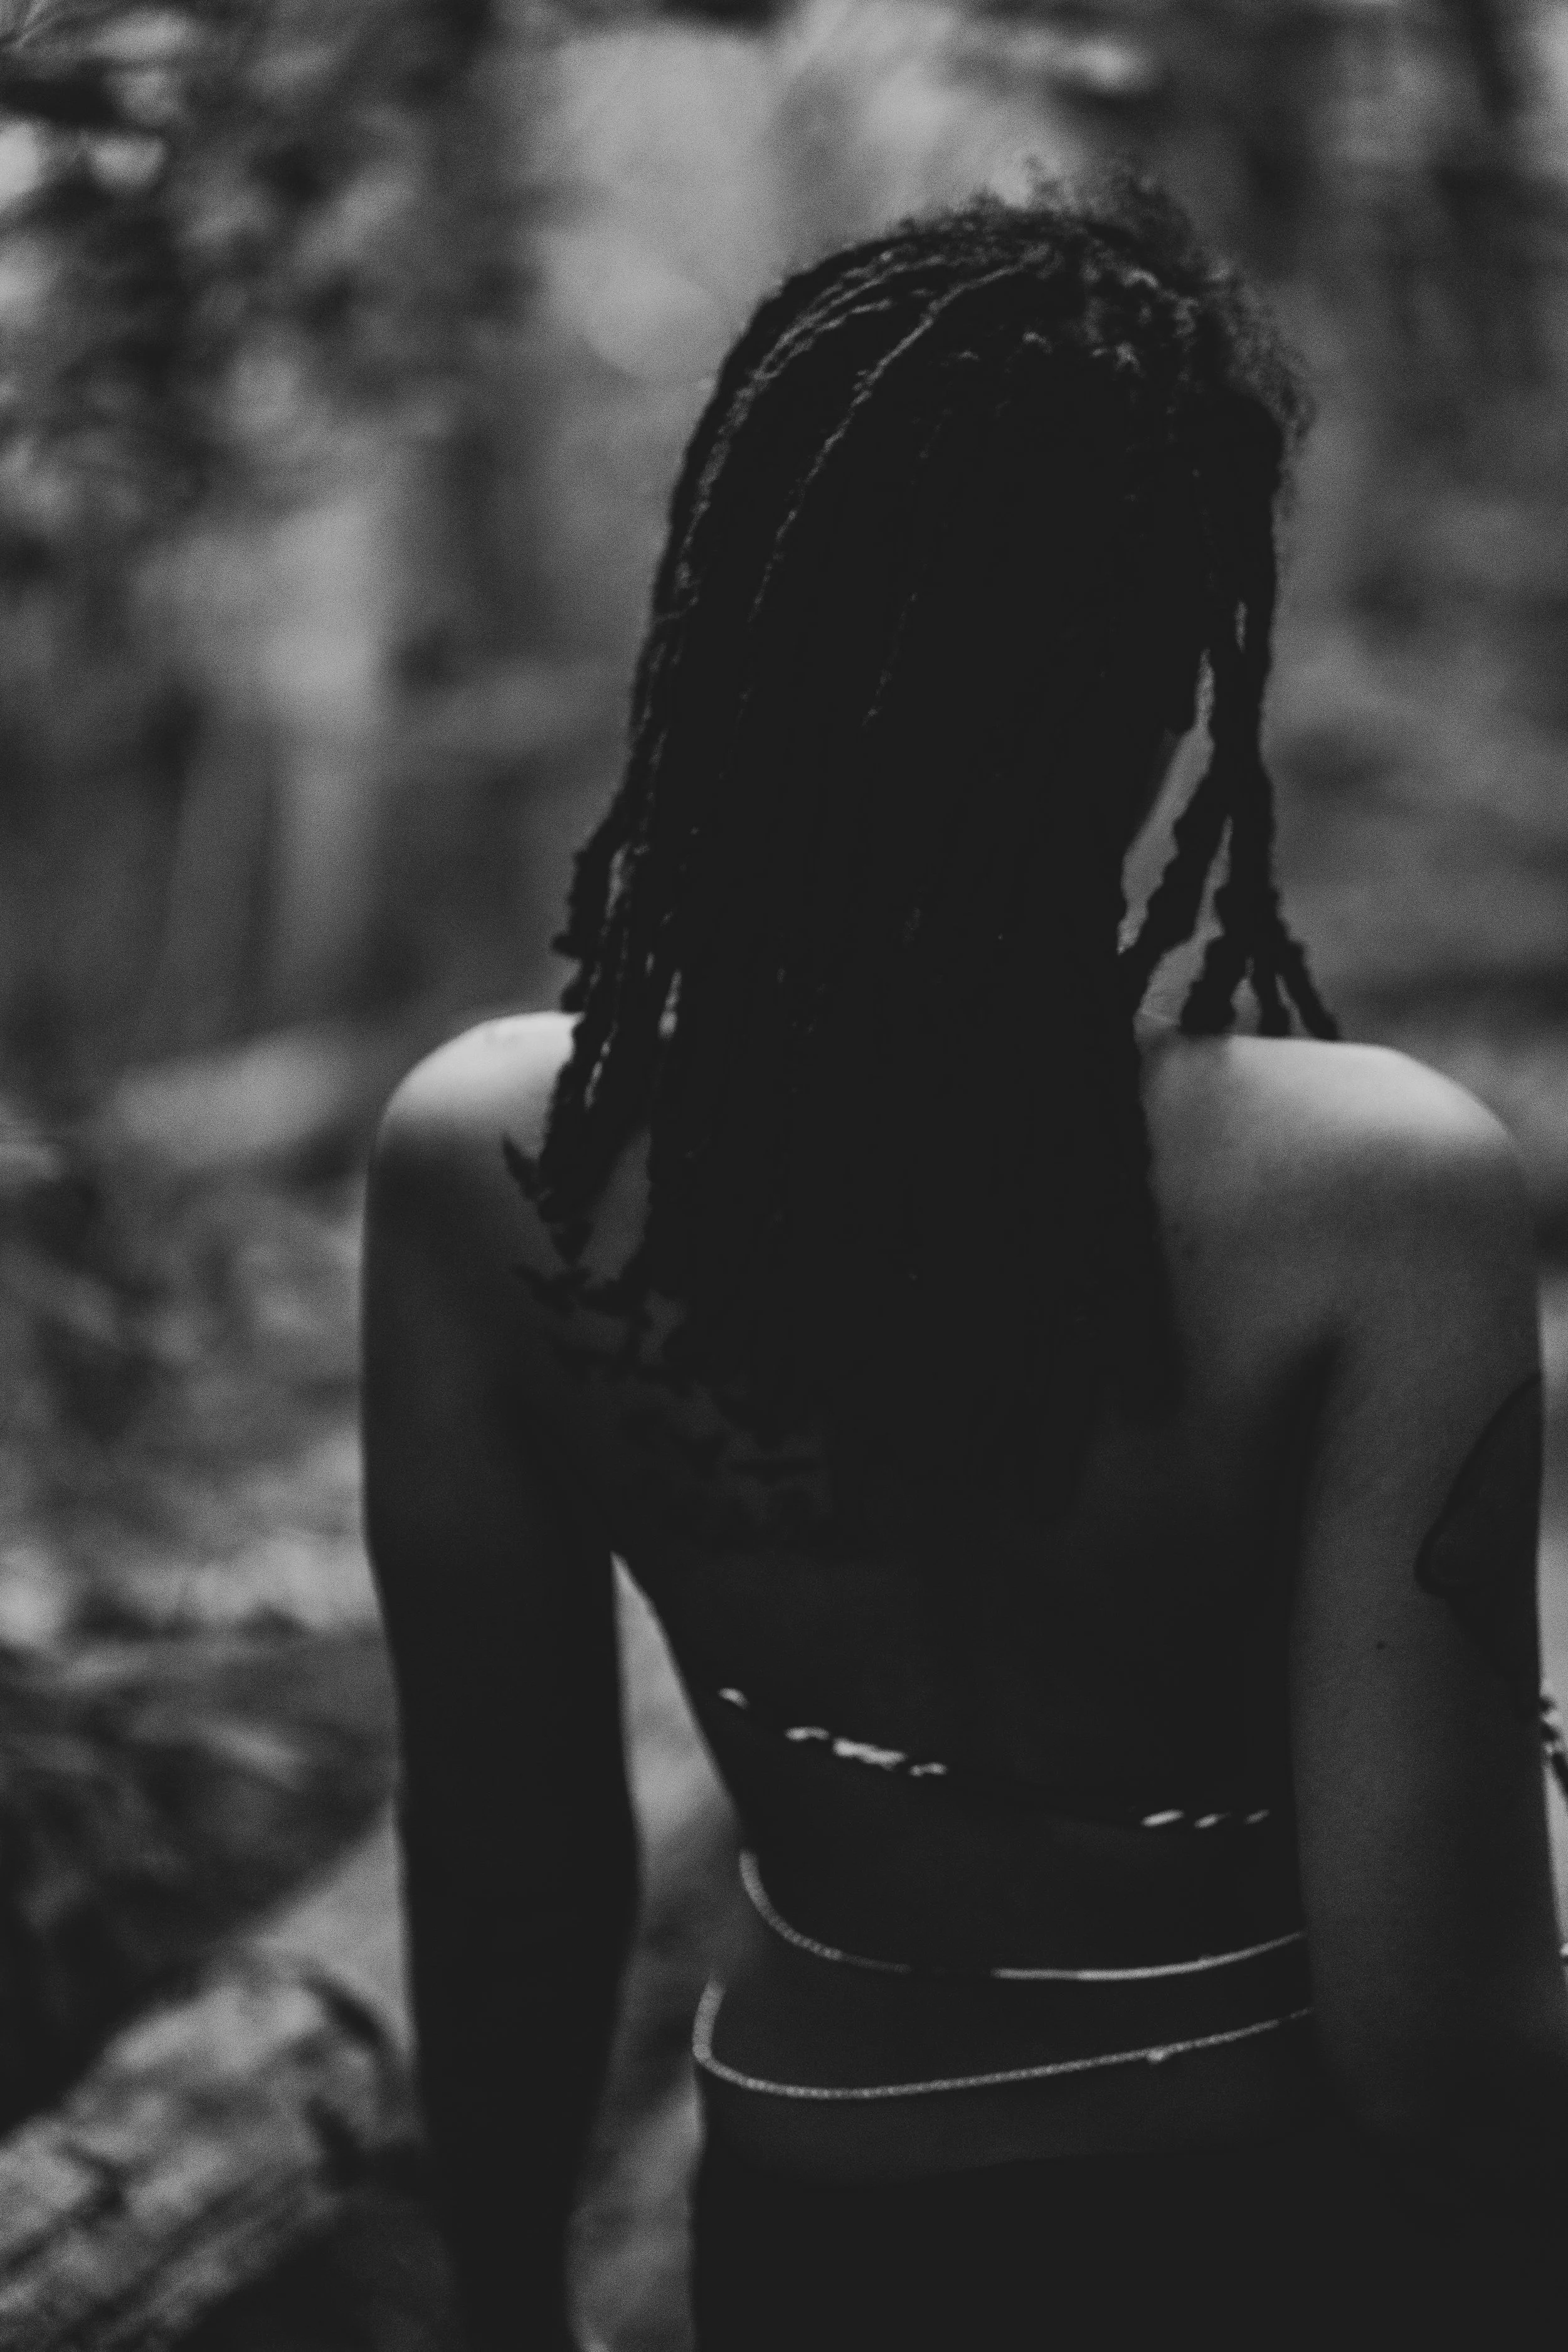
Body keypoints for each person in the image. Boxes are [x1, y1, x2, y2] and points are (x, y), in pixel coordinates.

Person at [361, 177, 1568, 2350]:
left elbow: (506, 1866)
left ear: (742, 611)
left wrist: (517, 2303)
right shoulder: (1379, 1191)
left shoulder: (489, 1164)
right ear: (1176, 663)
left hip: (818, 2248)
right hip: (1310, 2255)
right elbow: (1435, 2054)